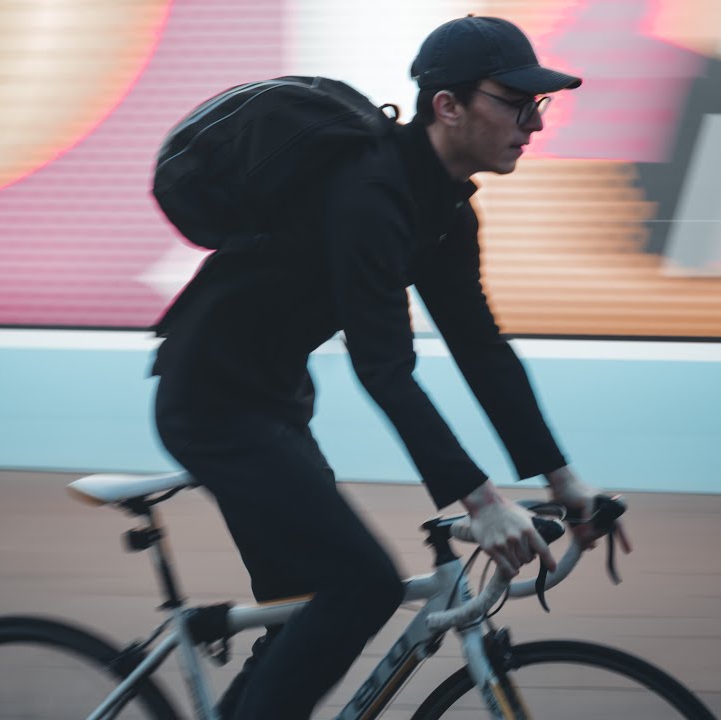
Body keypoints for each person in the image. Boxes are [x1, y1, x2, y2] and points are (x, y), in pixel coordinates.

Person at [151, 16, 630, 719]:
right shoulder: (369, 193)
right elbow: (384, 366)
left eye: (540, 106)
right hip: (211, 406)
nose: (532, 123)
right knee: (363, 585)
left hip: (274, 403)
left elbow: (480, 350)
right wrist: (480, 499)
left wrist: (564, 480)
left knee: (299, 616)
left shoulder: (442, 209)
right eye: (515, 103)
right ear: (448, 106)